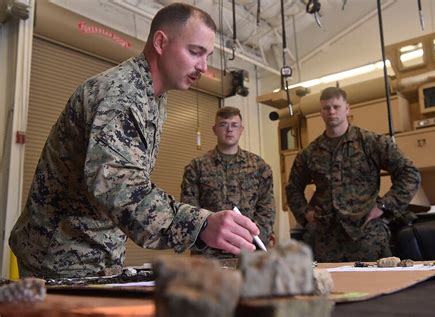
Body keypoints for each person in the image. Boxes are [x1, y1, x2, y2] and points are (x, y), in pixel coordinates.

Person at [9, 3, 260, 279]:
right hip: (61, 257)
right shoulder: (122, 95)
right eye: (195, 52)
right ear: (161, 42)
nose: (203, 66)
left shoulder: (153, 97)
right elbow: (120, 188)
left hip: (92, 254)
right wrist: (201, 225)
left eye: (207, 55)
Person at [286, 87, 421, 262]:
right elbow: (292, 188)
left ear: (347, 109)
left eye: (336, 106)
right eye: (326, 108)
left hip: (366, 235)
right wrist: (306, 214)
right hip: (327, 239)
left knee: (374, 285)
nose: (331, 112)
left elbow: (409, 173)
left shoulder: (370, 142)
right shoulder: (310, 152)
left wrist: (384, 206)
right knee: (333, 287)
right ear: (321, 112)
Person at [180, 106, 276, 259]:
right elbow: (190, 210)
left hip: (249, 252)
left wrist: (254, 237)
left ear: (241, 129)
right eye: (223, 124)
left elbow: (267, 209)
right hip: (208, 254)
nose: (229, 130)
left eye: (234, 125)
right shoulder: (196, 167)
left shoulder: (259, 166)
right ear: (214, 129)